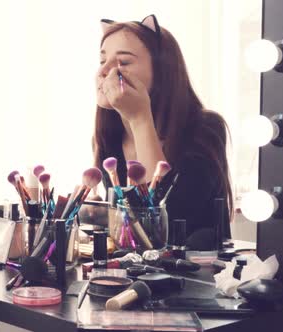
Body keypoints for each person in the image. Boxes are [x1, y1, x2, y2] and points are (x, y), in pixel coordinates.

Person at [93, 15, 232, 244]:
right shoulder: (109, 136)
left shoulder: (206, 129)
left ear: (162, 72)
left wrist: (140, 119)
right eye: (102, 61)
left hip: (194, 274)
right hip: (130, 274)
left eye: (123, 63)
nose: (105, 71)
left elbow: (167, 230)